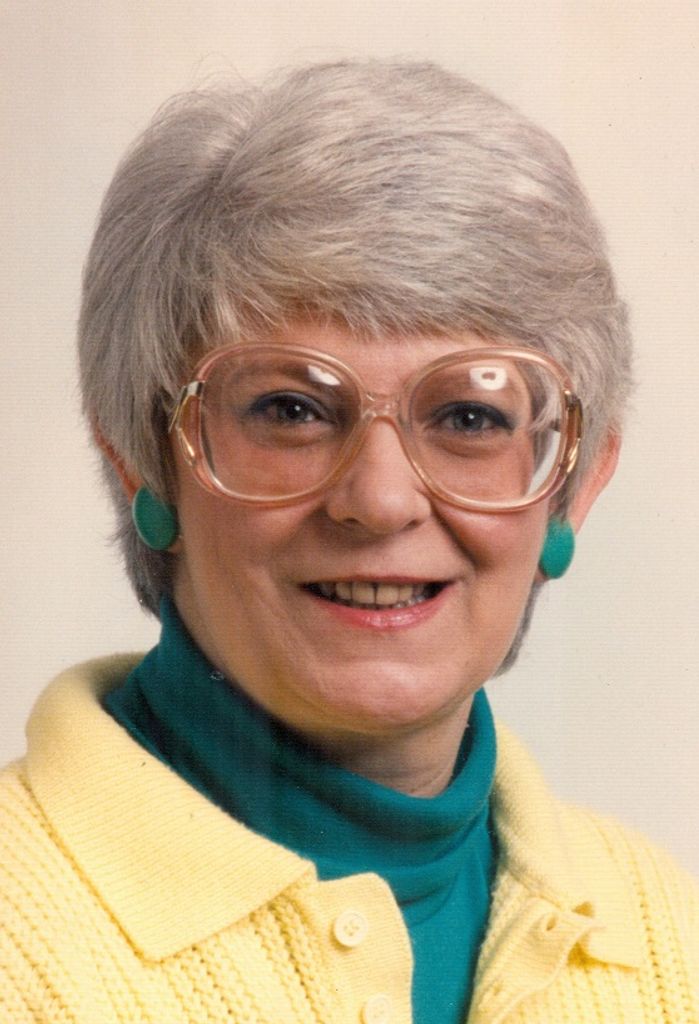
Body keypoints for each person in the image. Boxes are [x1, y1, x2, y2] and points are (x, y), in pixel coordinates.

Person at [1, 59, 696, 1024]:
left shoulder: (666, 933)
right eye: (290, 409)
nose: (379, 500)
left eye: (468, 415)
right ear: (140, 463)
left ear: (571, 489)